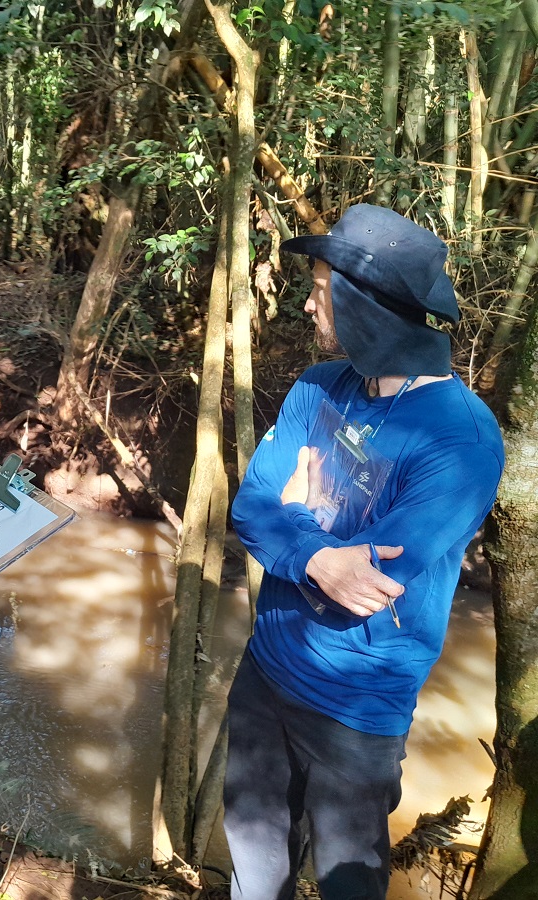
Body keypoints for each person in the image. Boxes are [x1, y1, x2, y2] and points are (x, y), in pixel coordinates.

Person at [224, 204, 504, 900]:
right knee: (254, 869)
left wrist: (294, 521)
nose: (307, 304)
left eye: (320, 290)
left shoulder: (460, 440)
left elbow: (371, 581)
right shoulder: (318, 388)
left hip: (356, 710)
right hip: (265, 672)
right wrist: (317, 552)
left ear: (365, 306)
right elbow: (250, 508)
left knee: (350, 883)